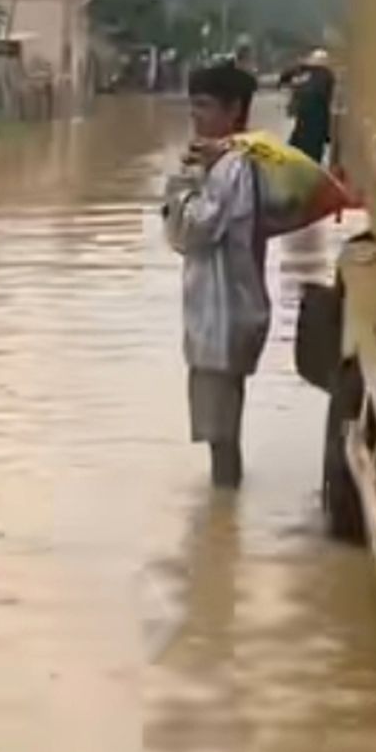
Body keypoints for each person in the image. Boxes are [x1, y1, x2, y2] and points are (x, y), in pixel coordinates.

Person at [163, 64, 267, 489]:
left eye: (205, 106)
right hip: (226, 313)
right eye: (194, 106)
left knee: (220, 435)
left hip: (221, 318)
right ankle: (225, 520)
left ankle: (223, 516)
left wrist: (182, 182)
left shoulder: (231, 167)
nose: (196, 116)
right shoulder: (234, 162)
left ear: (234, 110)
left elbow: (191, 232)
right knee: (222, 429)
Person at [278, 49, 335, 163]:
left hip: (306, 120)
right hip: (317, 121)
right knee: (312, 155)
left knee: (297, 151)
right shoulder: (327, 76)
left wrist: (302, 65)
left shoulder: (309, 75)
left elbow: (284, 78)